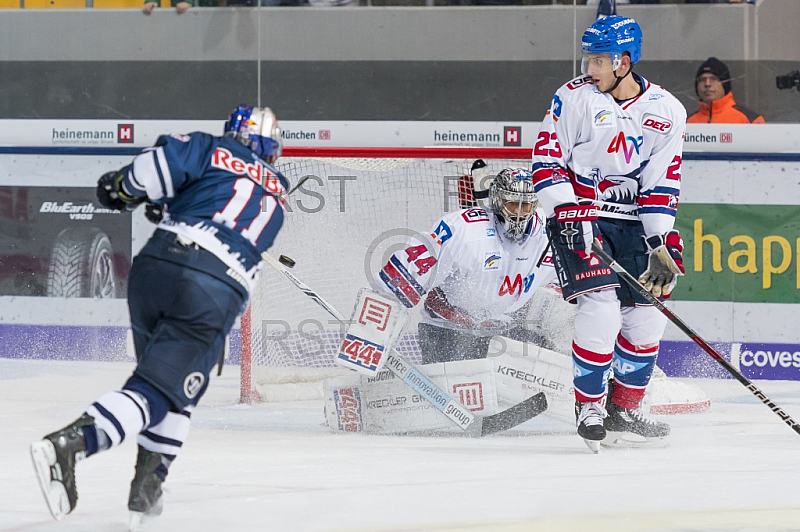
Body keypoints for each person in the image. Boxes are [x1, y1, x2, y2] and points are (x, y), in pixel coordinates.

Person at [30, 105, 287, 525]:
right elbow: (225, 207)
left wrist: (125, 190)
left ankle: (146, 493)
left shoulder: (210, 147)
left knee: (168, 387)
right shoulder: (278, 191)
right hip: (214, 288)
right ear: (271, 149)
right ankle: (71, 444)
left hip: (155, 267)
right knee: (157, 391)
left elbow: (151, 171)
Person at [531, 16, 687, 452]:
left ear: (624, 61)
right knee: (601, 310)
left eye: (599, 59)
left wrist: (658, 242)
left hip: (636, 223)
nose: (590, 67)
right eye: (589, 57)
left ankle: (626, 407)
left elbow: (661, 182)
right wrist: (569, 211)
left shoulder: (667, 110)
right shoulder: (573, 98)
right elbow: (545, 161)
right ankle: (590, 407)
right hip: (581, 216)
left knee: (648, 316)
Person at [376, 166, 555, 365]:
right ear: (497, 200)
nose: (518, 213)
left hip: (504, 330)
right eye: (512, 204)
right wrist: (371, 333)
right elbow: (400, 280)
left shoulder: (551, 232)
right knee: (457, 387)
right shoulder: (462, 230)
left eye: (526, 206)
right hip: (447, 328)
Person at [688, 57, 765, 124]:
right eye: (702, 79)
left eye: (714, 79)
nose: (707, 84)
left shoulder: (750, 120)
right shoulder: (687, 122)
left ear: (725, 85)